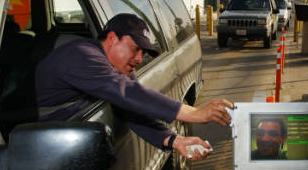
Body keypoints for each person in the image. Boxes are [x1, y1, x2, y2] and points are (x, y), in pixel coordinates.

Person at [35, 13, 232, 160]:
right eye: (134, 48)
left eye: (143, 52)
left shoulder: (118, 68)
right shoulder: (81, 55)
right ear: (112, 38)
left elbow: (133, 111)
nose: (139, 58)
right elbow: (127, 92)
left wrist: (175, 141)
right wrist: (194, 114)